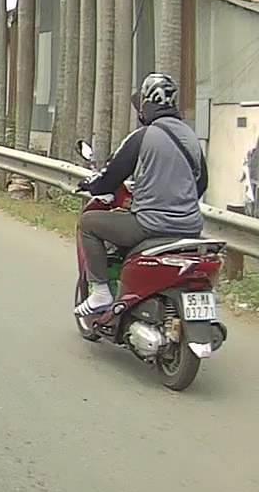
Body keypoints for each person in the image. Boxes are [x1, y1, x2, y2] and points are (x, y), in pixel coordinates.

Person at [74, 73, 208, 320]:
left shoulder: (143, 136)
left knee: (89, 223)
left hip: (150, 225)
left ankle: (101, 291)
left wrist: (91, 186)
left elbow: (111, 178)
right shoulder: (191, 138)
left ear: (146, 103)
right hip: (191, 226)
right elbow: (201, 184)